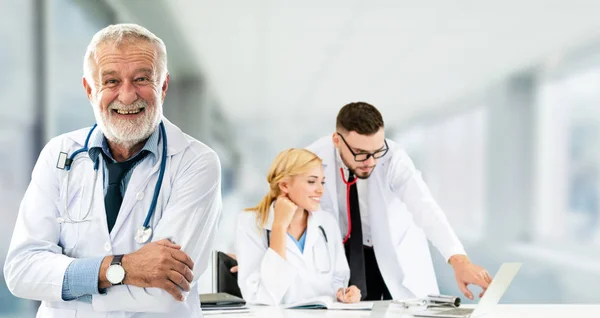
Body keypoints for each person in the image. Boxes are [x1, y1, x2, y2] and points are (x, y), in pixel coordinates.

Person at [3, 24, 222, 317]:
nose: (128, 95)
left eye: (142, 78)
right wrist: (122, 268)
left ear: (164, 85)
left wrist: (66, 285)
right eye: (111, 81)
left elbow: (164, 292)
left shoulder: (195, 162)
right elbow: (21, 271)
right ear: (89, 89)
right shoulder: (60, 154)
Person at [305, 102, 492, 301]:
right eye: (360, 153)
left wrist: (459, 260)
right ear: (337, 140)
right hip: (342, 257)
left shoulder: (393, 158)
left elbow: (424, 206)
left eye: (377, 151)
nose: (370, 162)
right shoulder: (312, 158)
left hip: (391, 254)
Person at [235, 148, 361, 305]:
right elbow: (261, 296)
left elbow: (338, 280)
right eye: (311, 181)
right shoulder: (251, 223)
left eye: (322, 182)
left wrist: (346, 294)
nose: (320, 190)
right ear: (285, 185)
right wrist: (279, 227)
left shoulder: (326, 222)